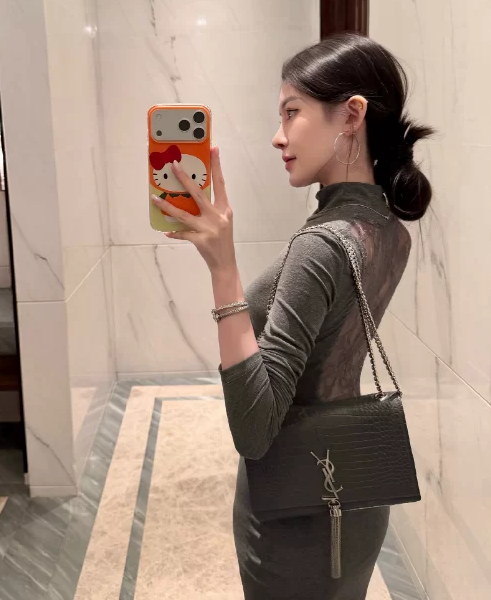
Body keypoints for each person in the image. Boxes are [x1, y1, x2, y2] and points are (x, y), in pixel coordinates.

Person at [151, 33, 433, 599]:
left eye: (291, 112)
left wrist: (223, 270)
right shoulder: (388, 229)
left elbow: (255, 431)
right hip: (355, 492)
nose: (277, 136)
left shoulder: (321, 245)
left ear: (351, 115)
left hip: (298, 512)